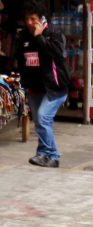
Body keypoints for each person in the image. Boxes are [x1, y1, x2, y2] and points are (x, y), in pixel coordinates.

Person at [15, 1, 69, 167]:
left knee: (43, 118)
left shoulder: (53, 33)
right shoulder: (23, 36)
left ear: (41, 19)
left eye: (33, 19)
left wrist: (39, 37)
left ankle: (52, 155)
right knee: (40, 122)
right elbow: (21, 60)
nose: (30, 23)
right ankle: (43, 153)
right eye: (27, 19)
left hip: (55, 87)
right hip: (35, 87)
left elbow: (57, 54)